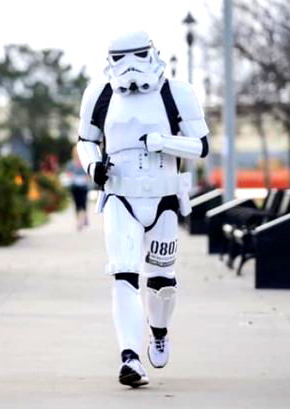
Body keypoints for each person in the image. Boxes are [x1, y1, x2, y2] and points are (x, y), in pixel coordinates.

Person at [76, 31, 209, 387]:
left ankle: (159, 331)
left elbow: (201, 146)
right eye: (121, 58)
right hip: (120, 196)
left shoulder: (177, 93)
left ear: (152, 54)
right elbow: (85, 140)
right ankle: (130, 357)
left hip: (164, 197)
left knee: (162, 282)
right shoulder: (99, 93)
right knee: (123, 274)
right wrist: (93, 167)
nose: (130, 66)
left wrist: (162, 142)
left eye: (137, 55)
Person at [64, 147, 91, 230]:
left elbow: (89, 174)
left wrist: (86, 177)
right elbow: (67, 173)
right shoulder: (70, 164)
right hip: (74, 186)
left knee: (83, 203)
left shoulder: (85, 163)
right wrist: (70, 176)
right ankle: (81, 219)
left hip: (83, 186)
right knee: (77, 203)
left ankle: (82, 219)